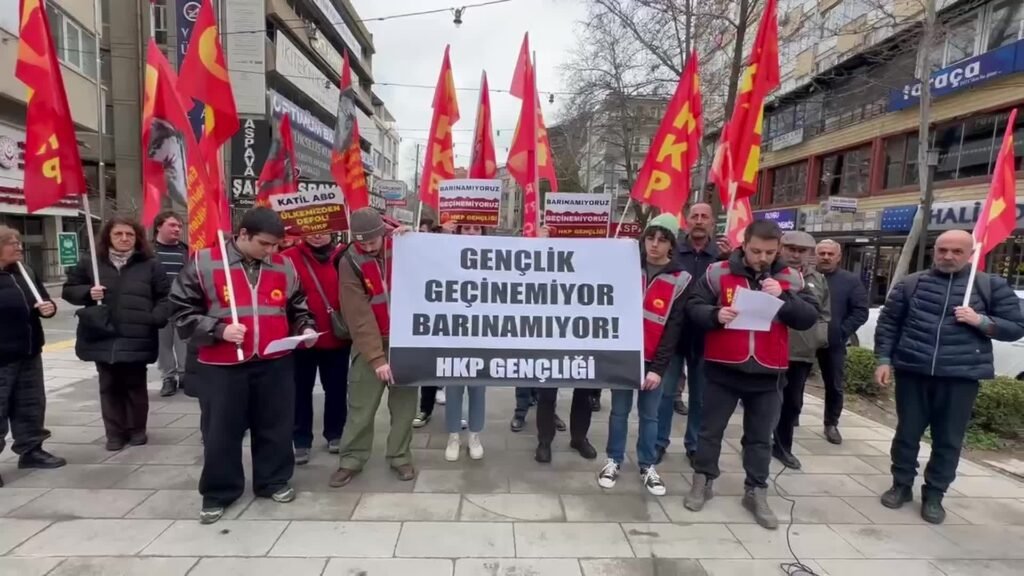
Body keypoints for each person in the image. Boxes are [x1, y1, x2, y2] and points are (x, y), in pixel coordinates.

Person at [170, 207, 317, 524]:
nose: (271, 251)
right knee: (221, 430)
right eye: (265, 244)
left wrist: (305, 328)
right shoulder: (204, 262)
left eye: (276, 244)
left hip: (274, 360)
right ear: (243, 235)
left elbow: (297, 306)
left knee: (276, 426)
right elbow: (181, 311)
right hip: (222, 364)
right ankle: (219, 491)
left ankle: (273, 480)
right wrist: (217, 329)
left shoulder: (283, 265)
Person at [873, 230, 1024, 524]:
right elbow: (889, 324)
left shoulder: (988, 286)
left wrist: (980, 321)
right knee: (906, 434)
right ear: (934, 251)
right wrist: (883, 360)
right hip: (913, 372)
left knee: (948, 440)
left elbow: (1017, 327)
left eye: (956, 251)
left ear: (970, 254)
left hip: (960, 377)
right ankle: (901, 485)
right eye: (942, 250)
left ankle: (934, 495)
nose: (948, 256)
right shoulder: (912, 284)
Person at [682, 220, 819, 529]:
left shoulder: (791, 277)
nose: (763, 258)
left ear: (779, 249)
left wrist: (784, 298)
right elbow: (693, 306)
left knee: (759, 438)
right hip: (723, 367)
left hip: (768, 373)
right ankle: (703, 480)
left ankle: (756, 490)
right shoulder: (717, 273)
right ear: (744, 245)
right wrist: (714, 315)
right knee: (710, 431)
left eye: (770, 252)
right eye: (756, 251)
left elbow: (809, 317)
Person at [598, 214, 690, 496]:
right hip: (624, 356)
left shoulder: (681, 279)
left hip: (653, 360)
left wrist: (658, 369)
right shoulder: (626, 268)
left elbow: (674, 329)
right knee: (619, 412)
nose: (654, 244)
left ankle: (647, 464)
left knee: (650, 416)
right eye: (650, 238)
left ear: (672, 245)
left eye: (662, 240)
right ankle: (613, 460)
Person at [63, 216, 171, 452]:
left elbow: (166, 296)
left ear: (137, 237)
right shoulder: (91, 262)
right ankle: (114, 433)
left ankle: (137, 430)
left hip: (137, 333)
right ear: (108, 237)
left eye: (129, 234)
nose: (124, 239)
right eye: (118, 234)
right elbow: (69, 290)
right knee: (109, 384)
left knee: (135, 384)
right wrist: (87, 292)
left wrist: (156, 317)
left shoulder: (150, 264)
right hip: (103, 333)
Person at [329, 208, 418, 487]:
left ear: (382, 233)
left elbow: (438, 259)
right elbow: (357, 315)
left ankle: (400, 456)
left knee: (404, 406)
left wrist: (415, 238)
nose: (368, 247)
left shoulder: (402, 245)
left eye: (372, 242)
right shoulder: (350, 260)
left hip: (406, 340)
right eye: (362, 243)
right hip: (371, 342)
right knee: (361, 406)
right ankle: (351, 459)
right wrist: (376, 359)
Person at [655, 202, 722, 466]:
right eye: (694, 216)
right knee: (665, 394)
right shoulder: (673, 252)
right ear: (686, 221)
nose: (699, 220)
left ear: (712, 223)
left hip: (707, 337)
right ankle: (659, 442)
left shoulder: (721, 256)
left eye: (705, 216)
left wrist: (730, 260)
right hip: (673, 336)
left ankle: (694, 444)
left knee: (701, 397)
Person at [0, 226, 66, 486]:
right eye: (10, 242)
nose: (18, 246)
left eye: (18, 242)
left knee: (30, 404)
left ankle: (31, 450)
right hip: (1, 357)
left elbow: (43, 302)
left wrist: (47, 309)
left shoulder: (25, 272)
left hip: (29, 352)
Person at [282, 232, 351, 465]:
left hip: (336, 335)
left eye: (323, 228)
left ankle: (336, 432)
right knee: (300, 390)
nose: (318, 235)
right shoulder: (288, 258)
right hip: (302, 338)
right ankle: (300, 439)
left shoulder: (344, 256)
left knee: (337, 388)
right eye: (311, 229)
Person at [530, 224, 593, 463]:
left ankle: (579, 438)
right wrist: (541, 244)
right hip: (550, 334)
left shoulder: (591, 259)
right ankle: (544, 441)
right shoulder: (547, 257)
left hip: (584, 333)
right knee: (547, 391)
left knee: (584, 391)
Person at [774, 231, 831, 470]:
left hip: (801, 353)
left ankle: (783, 447)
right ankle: (754, 442)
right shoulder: (770, 274)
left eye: (802, 250)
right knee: (765, 402)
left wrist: (818, 339)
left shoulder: (817, 280)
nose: (796, 255)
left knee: (792, 403)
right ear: (781, 248)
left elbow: (825, 313)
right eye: (791, 249)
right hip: (772, 349)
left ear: (809, 254)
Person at [814, 239, 869, 445]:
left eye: (830, 254)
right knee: (793, 383)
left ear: (838, 257)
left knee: (834, 385)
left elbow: (860, 311)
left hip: (833, 342)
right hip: (804, 339)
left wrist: (841, 332)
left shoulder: (850, 281)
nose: (826, 257)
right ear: (816, 254)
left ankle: (831, 423)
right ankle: (790, 418)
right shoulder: (805, 276)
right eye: (822, 253)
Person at [444, 223, 489, 461]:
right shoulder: (447, 253)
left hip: (482, 334)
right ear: (458, 231)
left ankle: (474, 435)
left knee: (478, 387)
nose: (471, 233)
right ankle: (453, 435)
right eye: (466, 229)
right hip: (452, 331)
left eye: (477, 229)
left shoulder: (495, 256)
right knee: (453, 386)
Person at [152, 211, 189, 397]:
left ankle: (184, 375)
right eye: (172, 225)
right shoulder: (149, 252)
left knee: (183, 341)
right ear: (159, 226)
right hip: (159, 305)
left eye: (179, 226)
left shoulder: (186, 251)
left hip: (182, 305)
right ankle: (168, 377)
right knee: (163, 344)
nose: (177, 229)